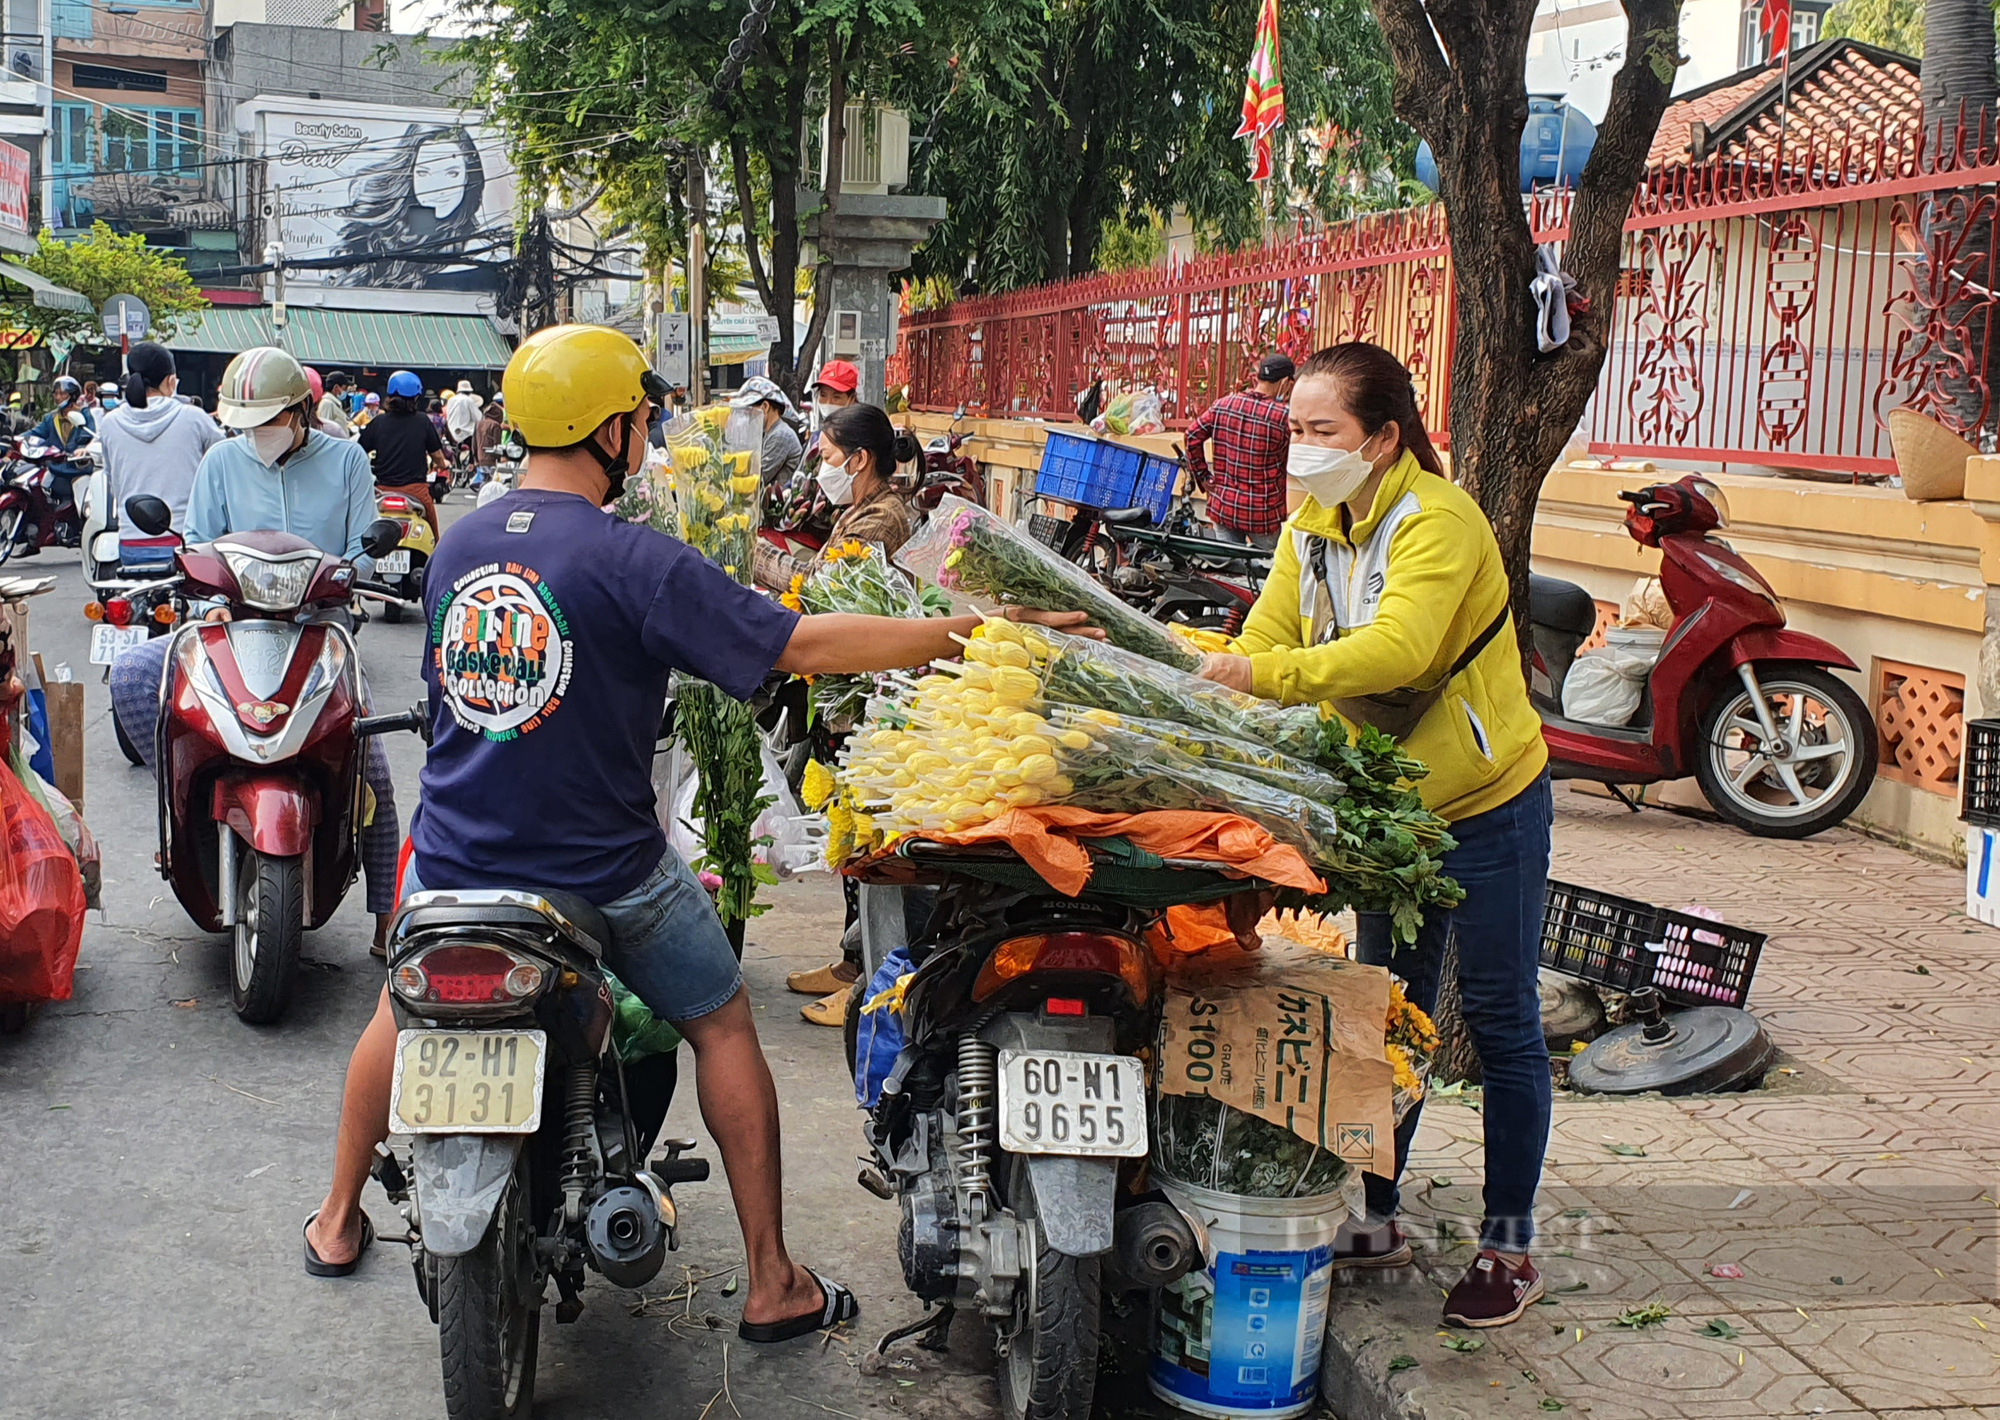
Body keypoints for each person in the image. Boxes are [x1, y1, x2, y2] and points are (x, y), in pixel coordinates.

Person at [298, 324, 1098, 1344]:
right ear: (613, 430)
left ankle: (333, 1218)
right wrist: (973, 630)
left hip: (458, 860)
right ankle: (771, 1279)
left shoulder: (458, 540)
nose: (648, 432)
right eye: (641, 417)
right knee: (719, 1017)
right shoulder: (636, 559)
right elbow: (803, 645)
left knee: (398, 1008)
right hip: (606, 873)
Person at [1194, 341, 1552, 1330]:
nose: (1301, 450)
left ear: (1385, 437)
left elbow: (1400, 647)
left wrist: (1262, 681)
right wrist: (1226, 671)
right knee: (1384, 1011)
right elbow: (1268, 633)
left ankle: (1507, 1245)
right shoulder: (1309, 523)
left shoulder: (1437, 520)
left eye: (1322, 432)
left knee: (1499, 1015)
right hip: (1388, 807)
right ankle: (1379, 1214)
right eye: (1296, 429)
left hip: (1485, 803)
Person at [107, 346, 401, 955]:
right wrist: (206, 599)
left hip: (320, 629)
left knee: (370, 764)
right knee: (135, 676)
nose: (257, 435)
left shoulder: (346, 460)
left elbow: (363, 547)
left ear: (300, 411)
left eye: (268, 420)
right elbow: (196, 541)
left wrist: (347, 575)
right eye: (247, 423)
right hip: (231, 626)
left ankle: (386, 913)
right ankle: (183, 819)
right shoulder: (220, 460)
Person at [97, 341, 224, 532]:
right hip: (185, 537)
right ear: (170, 381)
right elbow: (222, 465)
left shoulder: (110, 423)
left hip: (130, 538)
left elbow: (112, 479)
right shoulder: (194, 418)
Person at [1183, 352, 1295, 551]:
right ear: (1285, 382)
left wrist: (1203, 476)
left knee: (1227, 568)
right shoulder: (1283, 416)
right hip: (1262, 514)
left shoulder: (1223, 405)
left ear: (1257, 377)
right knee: (1266, 571)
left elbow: (1192, 435)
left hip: (1224, 506)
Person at [357, 369, 446, 533]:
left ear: (389, 396)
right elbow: (438, 457)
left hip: (382, 490)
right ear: (416, 398)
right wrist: (443, 464)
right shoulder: (422, 421)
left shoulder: (378, 422)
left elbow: (358, 451)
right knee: (432, 533)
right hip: (416, 491)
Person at [27, 375, 97, 528]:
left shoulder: (85, 416)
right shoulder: (50, 418)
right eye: (56, 393)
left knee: (84, 505)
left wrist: (84, 450)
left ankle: (84, 528)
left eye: (62, 393)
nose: (58, 397)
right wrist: (15, 440)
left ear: (72, 395)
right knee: (36, 489)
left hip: (78, 470)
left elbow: (92, 437)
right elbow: (34, 433)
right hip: (55, 468)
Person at [731, 376, 804, 488]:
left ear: (765, 406)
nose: (749, 416)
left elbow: (758, 477)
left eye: (750, 411)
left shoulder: (780, 435)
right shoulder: (771, 432)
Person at [470, 391, 505, 487]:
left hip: (480, 457)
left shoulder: (479, 423)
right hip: (491, 458)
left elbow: (474, 442)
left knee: (484, 481)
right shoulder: (495, 425)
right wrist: (499, 458)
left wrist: (475, 457)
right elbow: (497, 444)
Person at [318, 370, 355, 435]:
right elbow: (324, 431)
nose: (346, 391)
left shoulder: (335, 404)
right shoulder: (327, 403)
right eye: (344, 388)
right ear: (336, 388)